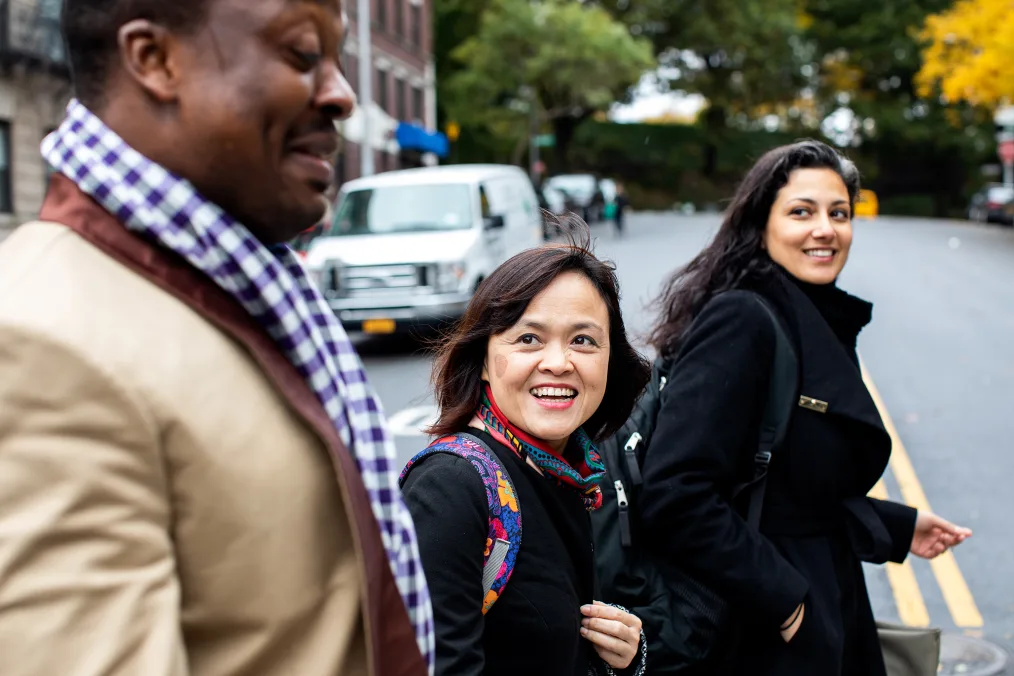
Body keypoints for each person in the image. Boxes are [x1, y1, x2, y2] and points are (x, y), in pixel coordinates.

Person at [0, 1, 432, 675]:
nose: (342, 95)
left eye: (338, 57)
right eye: (301, 54)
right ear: (154, 59)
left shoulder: (240, 281)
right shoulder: (38, 345)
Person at [638, 140, 972, 675]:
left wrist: (895, 526)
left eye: (839, 213)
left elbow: (792, 490)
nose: (826, 229)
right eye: (802, 212)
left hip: (823, 601)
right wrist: (784, 597)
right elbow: (675, 493)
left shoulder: (810, 314)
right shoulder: (744, 321)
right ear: (760, 224)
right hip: (765, 630)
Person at [401, 225, 652, 676]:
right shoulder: (451, 487)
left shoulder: (570, 471)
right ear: (482, 360)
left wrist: (625, 658)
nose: (558, 362)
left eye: (583, 340)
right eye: (529, 339)